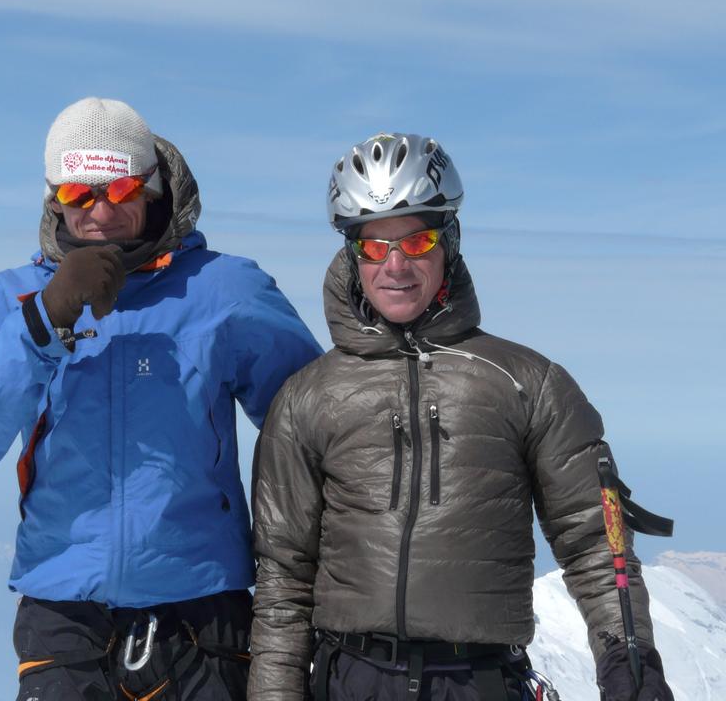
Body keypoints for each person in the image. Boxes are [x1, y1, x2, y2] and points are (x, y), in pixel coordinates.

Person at [0, 98, 322, 701]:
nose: (99, 211)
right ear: (55, 196)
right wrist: (42, 322)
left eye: (120, 188)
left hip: (203, 616)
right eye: (79, 195)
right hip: (66, 620)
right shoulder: (9, 300)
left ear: (152, 189)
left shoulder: (224, 290)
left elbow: (314, 429)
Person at [248, 132, 674, 701]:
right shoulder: (308, 397)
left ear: (449, 243)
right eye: (374, 247)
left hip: (480, 683)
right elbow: (283, 580)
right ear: (352, 255)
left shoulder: (529, 383)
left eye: (417, 241)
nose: (395, 265)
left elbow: (598, 548)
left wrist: (631, 670)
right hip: (348, 679)